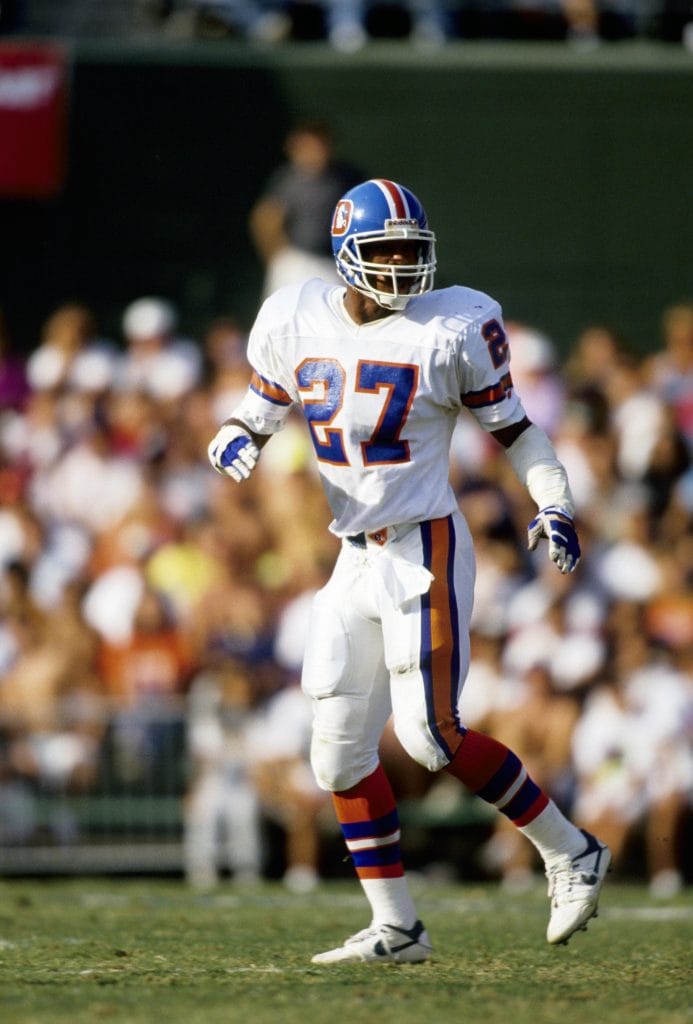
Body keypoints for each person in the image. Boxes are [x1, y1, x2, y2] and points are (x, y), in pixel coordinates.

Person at [207, 177, 610, 964]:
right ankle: (397, 926)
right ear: (344, 253)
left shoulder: (452, 323)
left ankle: (570, 850)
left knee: (428, 733)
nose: (401, 266)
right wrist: (237, 433)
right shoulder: (293, 314)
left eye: (410, 251)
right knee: (336, 750)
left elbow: (518, 432)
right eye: (384, 250)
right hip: (351, 551)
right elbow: (261, 403)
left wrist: (554, 502)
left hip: (423, 541)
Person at [248, 121, 364, 300]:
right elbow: (264, 218)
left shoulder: (347, 177)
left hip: (335, 265)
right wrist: (278, 258)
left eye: (319, 144)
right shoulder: (287, 180)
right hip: (297, 261)